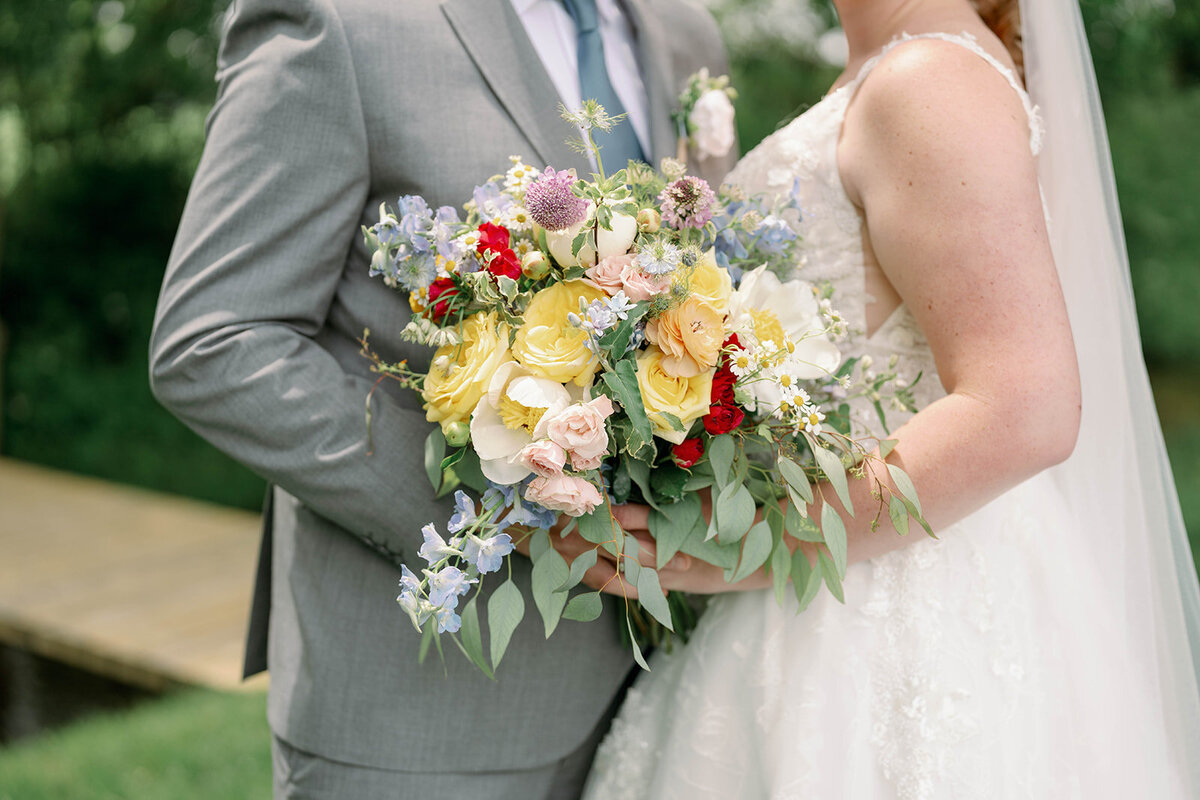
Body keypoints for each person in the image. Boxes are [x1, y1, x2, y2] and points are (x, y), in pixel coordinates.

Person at [583, 0, 1200, 795]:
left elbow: (1028, 407)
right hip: (833, 577)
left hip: (893, 613)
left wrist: (750, 545)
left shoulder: (929, 82)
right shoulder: (898, 67)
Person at [148, 0, 734, 796]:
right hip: (424, 712)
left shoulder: (684, 31)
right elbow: (216, 342)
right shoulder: (341, 20)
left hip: (674, 708)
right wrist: (516, 523)